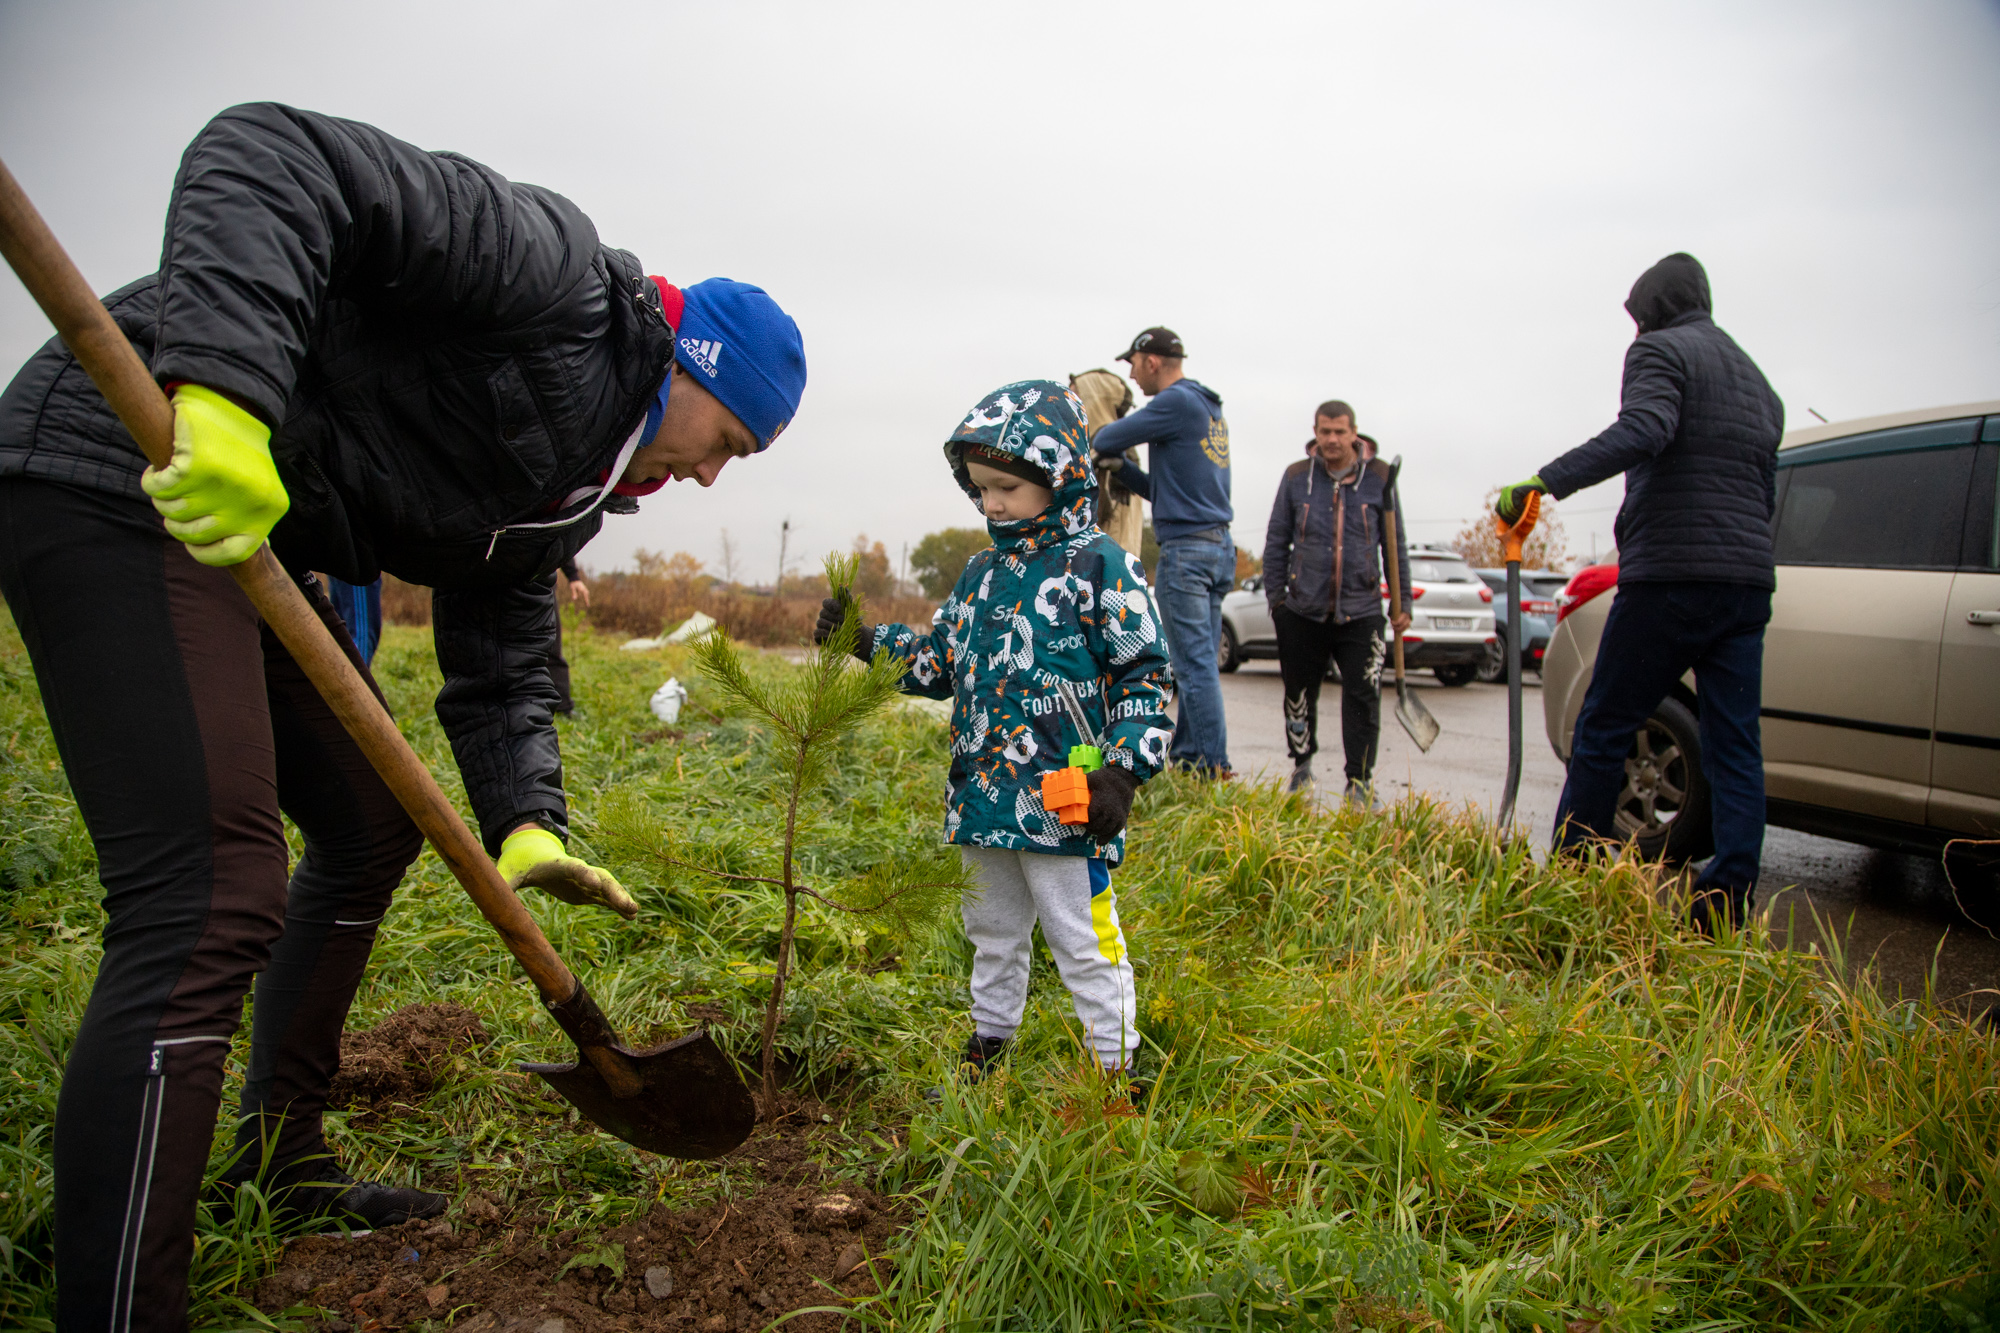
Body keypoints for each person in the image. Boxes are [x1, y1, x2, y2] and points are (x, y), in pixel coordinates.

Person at [0, 103, 805, 1332]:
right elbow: (272, 156)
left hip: (250, 542)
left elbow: (503, 653)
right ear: (690, 369)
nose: (707, 474)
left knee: (371, 822)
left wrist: (526, 820)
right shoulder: (552, 277)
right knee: (209, 894)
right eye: (726, 443)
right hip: (129, 457)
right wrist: (225, 401)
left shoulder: (572, 486)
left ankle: (283, 1159)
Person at [816, 381, 1173, 1081]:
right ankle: (990, 1040)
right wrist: (864, 641)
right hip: (983, 795)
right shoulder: (980, 574)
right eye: (980, 490)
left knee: (1081, 933)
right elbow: (939, 661)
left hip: (1068, 796)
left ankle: (1115, 1063)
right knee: (992, 927)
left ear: (1060, 475)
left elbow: (1145, 675)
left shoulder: (1102, 565)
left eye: (1007, 486)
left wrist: (1122, 771)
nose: (993, 504)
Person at [1493, 252, 1782, 931]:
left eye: (1638, 318)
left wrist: (1545, 480)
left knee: (1605, 724)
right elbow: (1761, 491)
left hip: (1671, 578)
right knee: (1735, 745)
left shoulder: (1659, 351)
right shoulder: (1759, 383)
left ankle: (1568, 883)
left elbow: (1645, 429)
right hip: (1745, 585)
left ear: (1655, 309)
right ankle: (1724, 904)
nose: (1635, 331)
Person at [1089, 327, 1233, 776]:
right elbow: (1165, 491)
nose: (1132, 376)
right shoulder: (1206, 406)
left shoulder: (1174, 402)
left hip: (1187, 553)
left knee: (1191, 667)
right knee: (1202, 664)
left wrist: (1104, 447)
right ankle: (1192, 759)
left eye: (1133, 364)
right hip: (1217, 546)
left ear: (1151, 361)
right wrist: (1124, 470)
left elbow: (1105, 438)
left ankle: (1210, 766)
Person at [1263, 401, 1411, 803]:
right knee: (1299, 694)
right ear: (1315, 433)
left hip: (1361, 611)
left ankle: (1359, 781)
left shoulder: (1380, 478)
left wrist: (1403, 603)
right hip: (1302, 610)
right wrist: (1277, 601)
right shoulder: (1297, 477)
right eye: (1325, 431)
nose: (1332, 439)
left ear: (1354, 433)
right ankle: (1302, 767)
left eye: (1339, 432)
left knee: (1363, 696)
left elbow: (1395, 545)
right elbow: (1276, 541)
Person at [551, 557, 592, 713]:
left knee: (551, 647)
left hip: (539, 586)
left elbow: (556, 542)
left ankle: (562, 706)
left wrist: (573, 575)